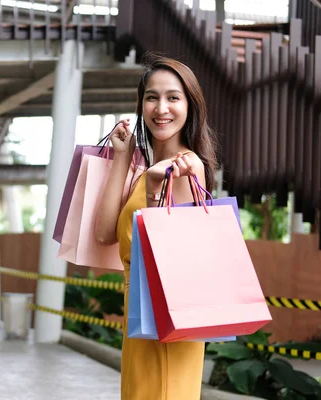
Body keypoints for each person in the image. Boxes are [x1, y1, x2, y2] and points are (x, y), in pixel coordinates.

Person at [94, 53, 218, 399]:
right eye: (152, 97)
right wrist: (123, 156)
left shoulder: (188, 167)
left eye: (173, 97)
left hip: (168, 317)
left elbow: (170, 260)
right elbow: (105, 235)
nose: (161, 108)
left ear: (190, 105)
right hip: (140, 315)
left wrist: (152, 193)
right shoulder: (151, 169)